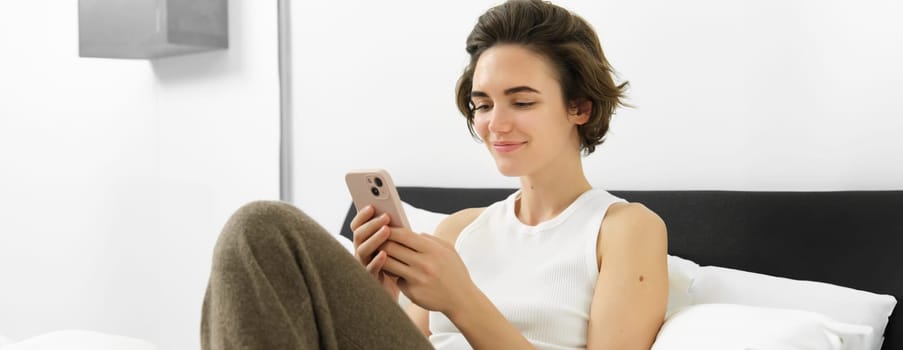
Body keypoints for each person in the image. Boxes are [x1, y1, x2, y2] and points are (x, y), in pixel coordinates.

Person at [200, 0, 668, 349]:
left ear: (580, 107)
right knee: (255, 240)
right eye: (482, 104)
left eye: (522, 102)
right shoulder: (460, 229)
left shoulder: (625, 229)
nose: (495, 123)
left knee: (261, 225)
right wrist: (374, 295)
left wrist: (461, 299)